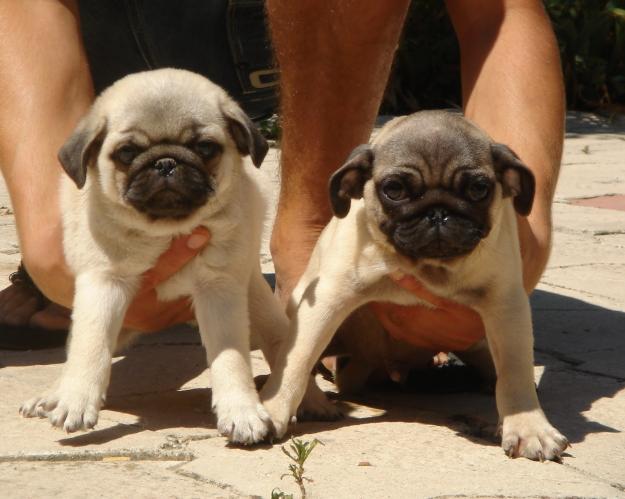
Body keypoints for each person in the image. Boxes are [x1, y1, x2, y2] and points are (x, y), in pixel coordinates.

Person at [0, 1, 564, 357]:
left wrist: (519, 241)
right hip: (127, 47)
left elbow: (500, 11)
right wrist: (55, 227)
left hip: (331, 31)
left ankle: (308, 236)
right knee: (61, 253)